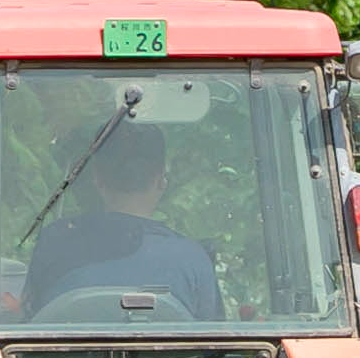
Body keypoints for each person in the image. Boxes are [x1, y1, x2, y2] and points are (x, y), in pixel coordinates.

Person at [20, 121, 223, 321]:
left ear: (97, 179)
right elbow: (216, 347)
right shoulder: (193, 259)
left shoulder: (54, 242)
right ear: (161, 181)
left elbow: (30, 321)